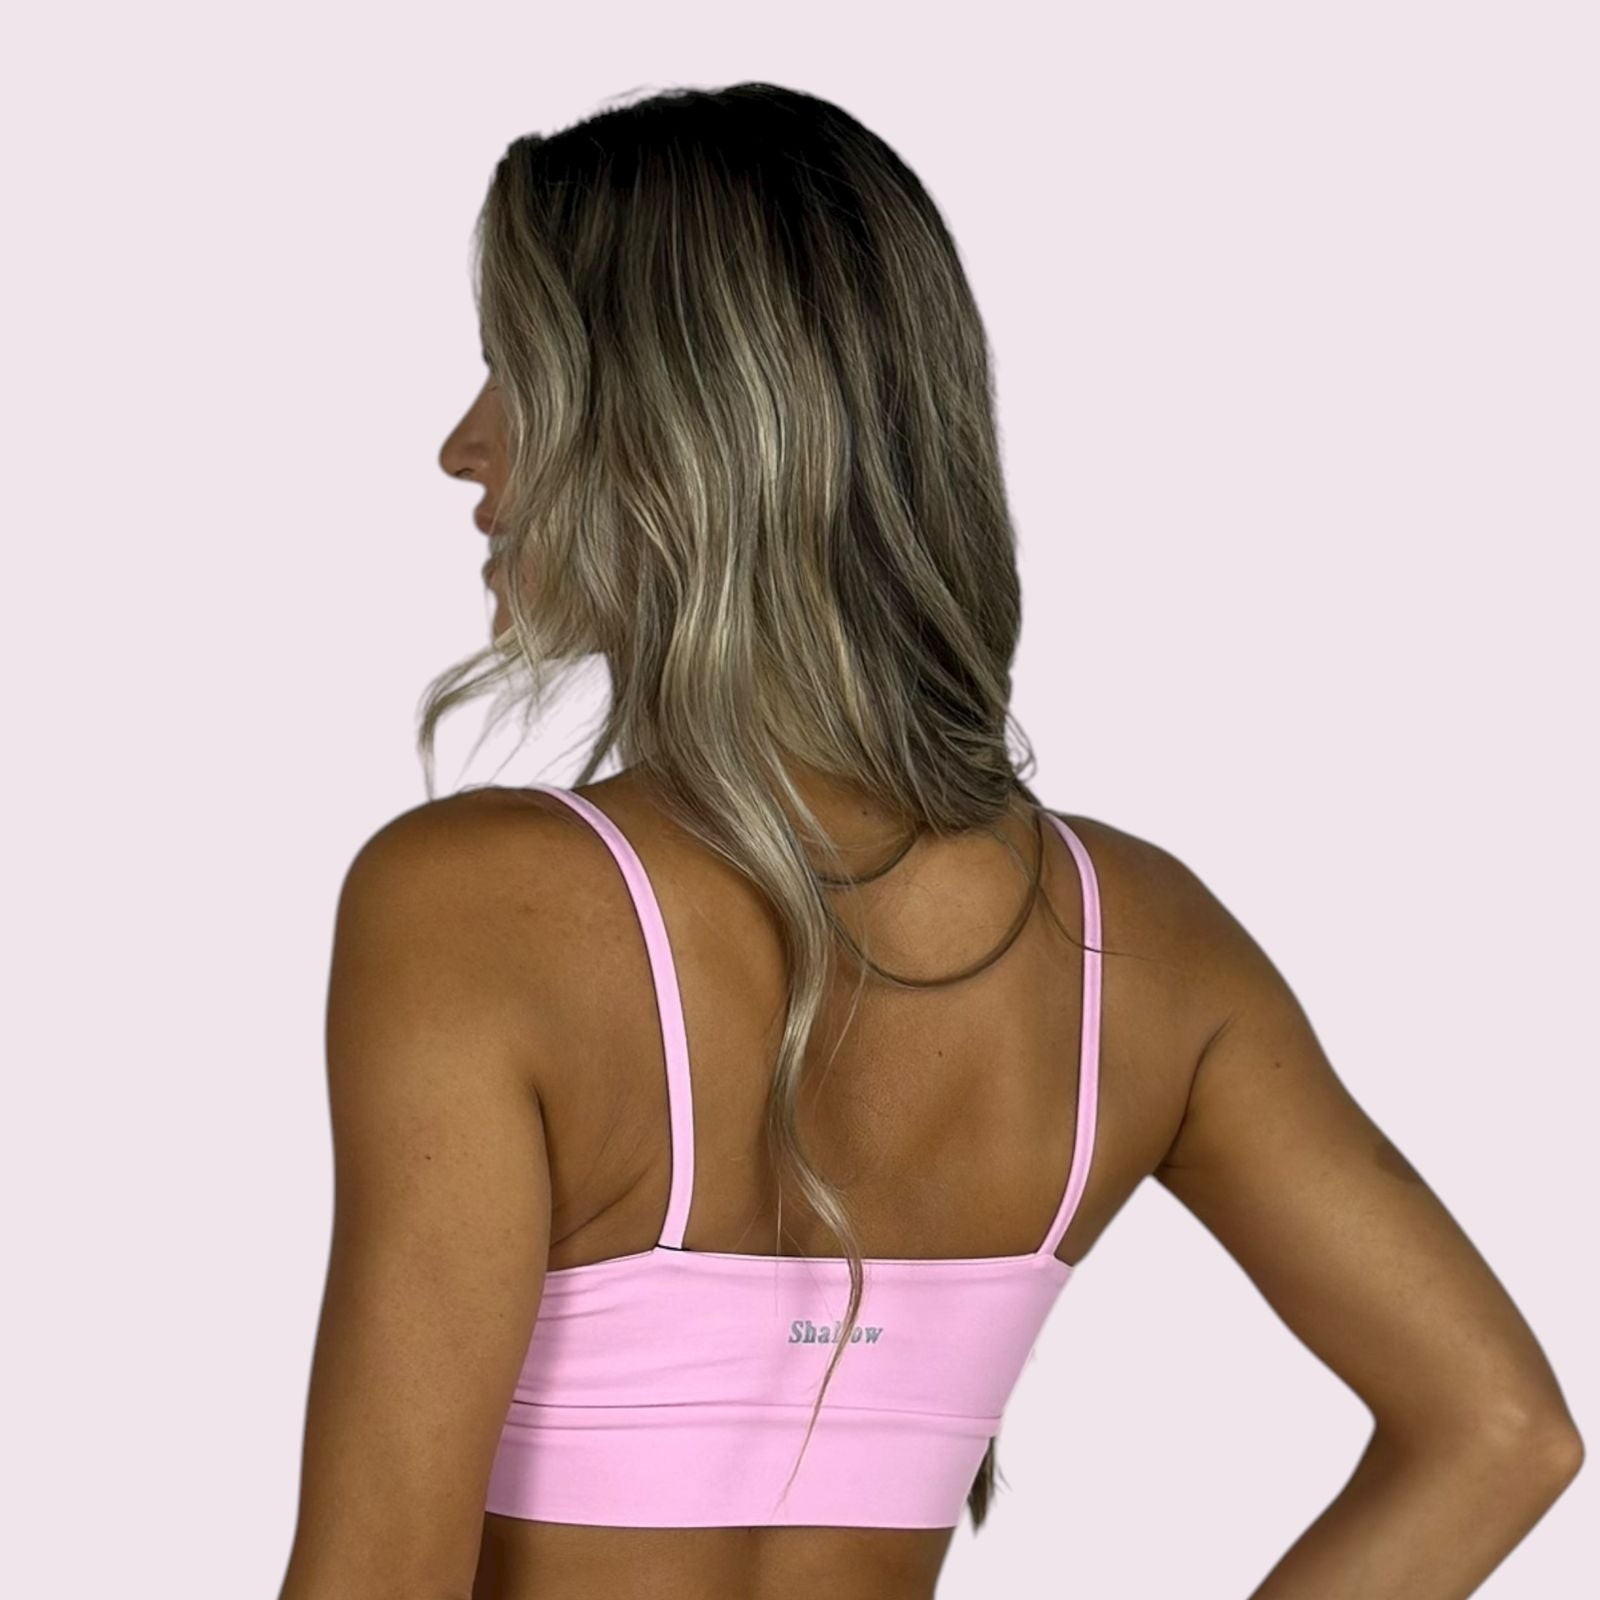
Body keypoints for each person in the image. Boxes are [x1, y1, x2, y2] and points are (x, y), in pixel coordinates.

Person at [276, 82, 1583, 1600]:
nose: (465, 445)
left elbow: (375, 1577)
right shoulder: (1137, 945)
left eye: (517, 371)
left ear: (674, 429)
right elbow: (1502, 1433)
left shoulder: (470, 904)